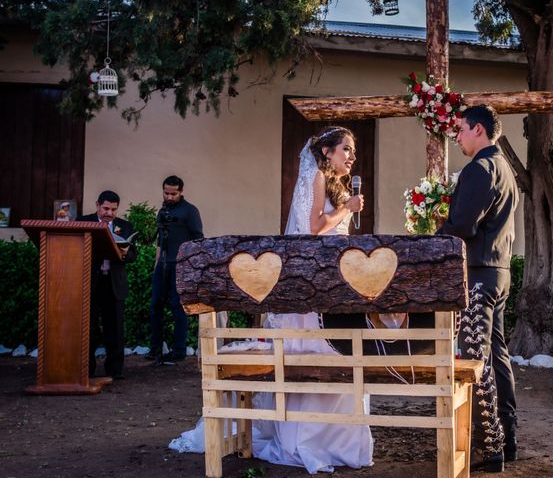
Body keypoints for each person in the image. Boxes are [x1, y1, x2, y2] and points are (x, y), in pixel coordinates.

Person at [169, 127, 373, 473]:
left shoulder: (333, 184)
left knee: (335, 352)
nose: (351, 156)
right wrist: (347, 209)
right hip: (311, 289)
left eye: (352, 151)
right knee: (319, 353)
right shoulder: (317, 181)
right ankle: (306, 439)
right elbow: (312, 229)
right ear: (326, 152)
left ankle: (334, 438)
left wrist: (346, 210)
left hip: (329, 281)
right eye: (346, 150)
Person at [437, 105, 519, 473]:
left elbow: (464, 226)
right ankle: (509, 437)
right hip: (500, 272)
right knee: (497, 356)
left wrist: (436, 230)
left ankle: (491, 447)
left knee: (475, 359)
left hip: (480, 277)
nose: (456, 136)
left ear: (479, 130)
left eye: (461, 130)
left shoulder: (479, 169)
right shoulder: (506, 170)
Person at [79, 190, 138, 379]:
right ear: (97, 205)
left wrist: (125, 253)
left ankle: (115, 370)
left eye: (113, 209)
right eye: (106, 208)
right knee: (88, 329)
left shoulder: (125, 226)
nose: (109, 213)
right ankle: (85, 370)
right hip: (90, 283)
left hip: (114, 284)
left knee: (115, 329)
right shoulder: (82, 222)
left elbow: (133, 255)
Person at [148, 175, 203, 363]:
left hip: (181, 265)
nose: (169, 197)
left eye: (173, 193)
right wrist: (156, 267)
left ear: (181, 192)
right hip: (162, 265)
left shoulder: (190, 211)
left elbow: (198, 239)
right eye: (166, 193)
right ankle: (155, 348)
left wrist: (191, 266)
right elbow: (159, 243)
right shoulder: (162, 211)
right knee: (155, 305)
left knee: (177, 306)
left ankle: (179, 350)